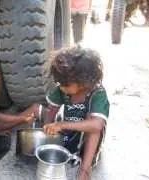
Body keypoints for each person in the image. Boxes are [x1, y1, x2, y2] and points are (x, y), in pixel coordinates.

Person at [42, 46, 110, 180]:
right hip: (70, 135)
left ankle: (85, 169)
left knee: (93, 126)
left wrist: (61, 125)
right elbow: (50, 109)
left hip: (88, 140)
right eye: (59, 83)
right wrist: (47, 127)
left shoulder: (97, 94)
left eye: (65, 85)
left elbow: (96, 125)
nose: (61, 87)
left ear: (83, 83)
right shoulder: (63, 89)